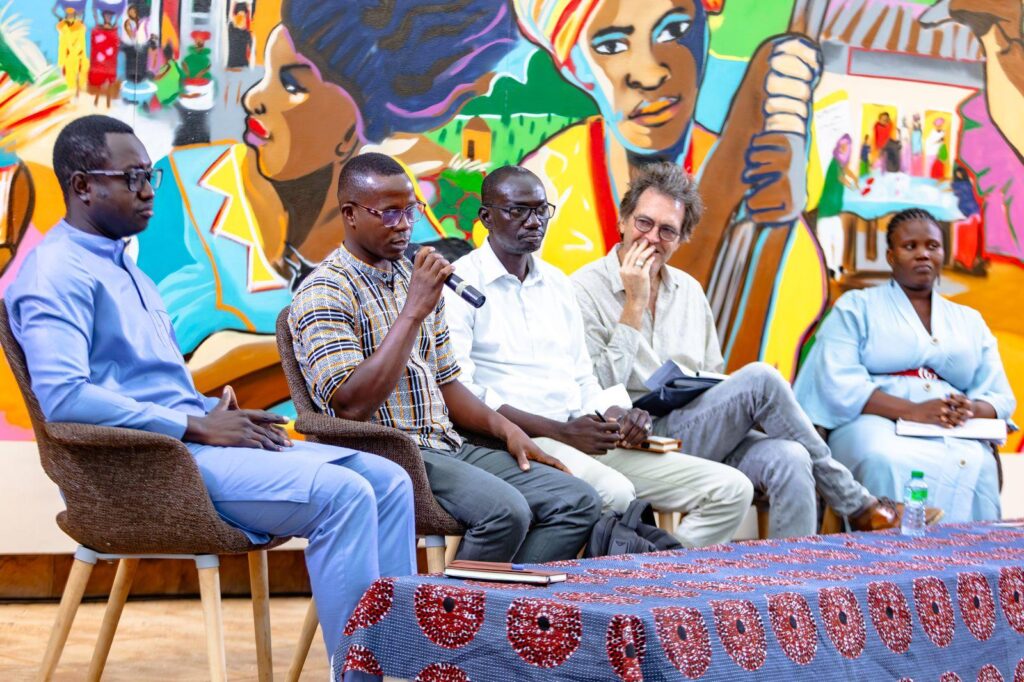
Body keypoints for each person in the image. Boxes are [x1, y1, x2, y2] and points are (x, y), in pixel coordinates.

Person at [3, 116, 415, 660]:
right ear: (81, 186)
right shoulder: (56, 273)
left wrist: (215, 409)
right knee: (346, 494)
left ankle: (400, 657)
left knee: (389, 480)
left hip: (190, 447)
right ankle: (361, 670)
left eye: (149, 175)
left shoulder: (127, 269)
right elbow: (64, 398)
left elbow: (147, 386)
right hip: (150, 469)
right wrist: (194, 423)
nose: (148, 191)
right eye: (132, 178)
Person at [136, 0, 515, 414]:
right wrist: (333, 344)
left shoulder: (398, 219)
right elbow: (156, 374)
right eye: (265, 75)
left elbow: (439, 368)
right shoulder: (182, 188)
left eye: (292, 85)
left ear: (352, 129)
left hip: (375, 439)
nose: (254, 98)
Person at [572, 162, 921, 537]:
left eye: (667, 230)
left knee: (791, 457)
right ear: (623, 221)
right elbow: (594, 390)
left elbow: (710, 374)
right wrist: (634, 305)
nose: (652, 238)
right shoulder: (583, 289)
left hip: (696, 429)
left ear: (681, 239)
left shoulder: (689, 291)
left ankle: (792, 573)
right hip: (635, 439)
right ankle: (858, 505)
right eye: (644, 223)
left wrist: (736, 412)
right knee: (761, 378)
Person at [289, 153, 601, 563]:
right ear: (350, 214)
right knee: (505, 511)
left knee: (577, 500)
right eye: (390, 213)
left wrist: (507, 429)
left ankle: (504, 599)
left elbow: (448, 382)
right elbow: (350, 405)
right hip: (386, 454)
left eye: (411, 210)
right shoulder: (325, 292)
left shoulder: (412, 278)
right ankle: (460, 605)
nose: (404, 225)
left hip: (447, 444)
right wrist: (413, 312)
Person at [513, 0, 827, 379]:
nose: (650, 74)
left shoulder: (758, 170)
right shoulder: (546, 190)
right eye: (611, 45)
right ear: (573, 66)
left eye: (675, 30)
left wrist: (777, 230)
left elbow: (737, 373)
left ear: (705, 32)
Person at [446, 166, 752, 546]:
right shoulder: (459, 284)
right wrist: (560, 431)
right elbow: (464, 393)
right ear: (486, 217)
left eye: (541, 210)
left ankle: (669, 573)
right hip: (515, 441)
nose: (534, 221)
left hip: (579, 433)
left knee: (731, 489)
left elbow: (583, 379)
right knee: (617, 493)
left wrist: (619, 415)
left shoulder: (557, 285)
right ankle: (630, 575)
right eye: (518, 211)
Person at [794, 208, 1016, 522]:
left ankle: (963, 555)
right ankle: (889, 551)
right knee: (883, 458)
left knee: (979, 465)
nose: (923, 254)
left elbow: (999, 396)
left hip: (953, 430)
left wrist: (969, 409)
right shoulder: (856, 307)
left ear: (942, 253)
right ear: (891, 256)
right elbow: (835, 382)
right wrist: (913, 410)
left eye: (932, 246)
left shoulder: (970, 320)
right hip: (874, 421)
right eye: (910, 246)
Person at [817, 134, 858, 280]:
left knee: (838, 239)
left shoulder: (840, 164)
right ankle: (831, 269)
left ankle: (837, 267)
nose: (844, 148)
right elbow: (842, 178)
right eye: (842, 145)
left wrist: (855, 180)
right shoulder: (834, 163)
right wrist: (852, 185)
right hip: (826, 211)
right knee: (827, 243)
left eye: (847, 146)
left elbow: (847, 172)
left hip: (834, 212)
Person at [53, 4, 87, 97]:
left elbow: (81, 42)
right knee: (66, 76)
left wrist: (77, 52)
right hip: (66, 56)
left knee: (78, 75)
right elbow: (62, 44)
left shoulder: (79, 27)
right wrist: (62, 59)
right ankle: (68, 94)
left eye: (71, 14)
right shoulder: (63, 28)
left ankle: (77, 93)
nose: (70, 16)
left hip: (77, 55)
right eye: (68, 14)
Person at [87, 10, 119, 108]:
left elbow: (115, 42)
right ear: (104, 17)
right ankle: (96, 100)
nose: (108, 17)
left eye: (109, 16)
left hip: (109, 60)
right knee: (99, 82)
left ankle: (108, 103)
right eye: (106, 16)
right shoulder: (99, 28)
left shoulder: (114, 29)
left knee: (109, 83)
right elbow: (95, 39)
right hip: (101, 60)